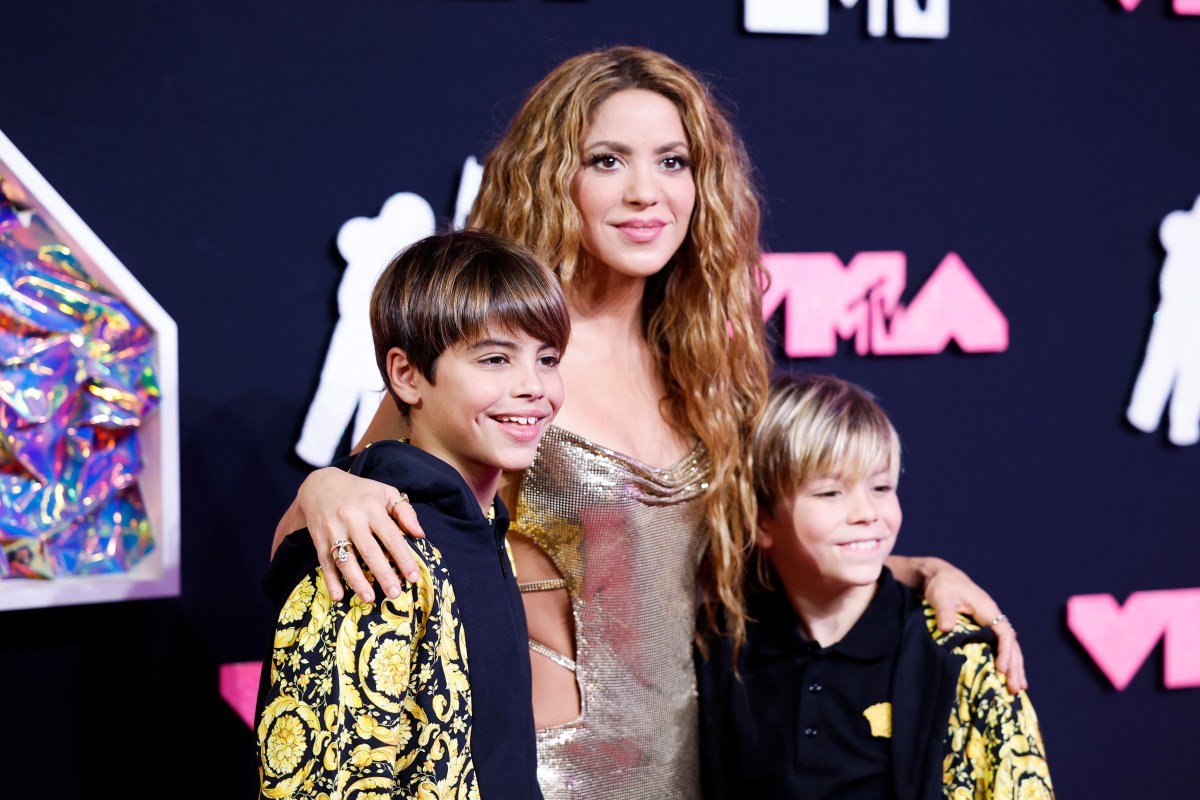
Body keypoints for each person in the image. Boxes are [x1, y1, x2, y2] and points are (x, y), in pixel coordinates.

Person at [274, 47, 1025, 800]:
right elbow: (348, 531)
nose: (646, 193)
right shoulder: (499, 359)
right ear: (552, 178)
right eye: (607, 160)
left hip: (696, 760)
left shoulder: (708, 367)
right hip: (543, 771)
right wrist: (325, 490)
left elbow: (744, 568)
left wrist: (920, 573)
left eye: (673, 162)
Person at [257, 231, 568, 799]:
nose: (534, 387)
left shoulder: (483, 527)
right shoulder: (380, 541)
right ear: (406, 376)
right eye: (495, 358)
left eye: (547, 359)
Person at [697, 374, 1053, 800]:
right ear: (761, 519)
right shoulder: (717, 646)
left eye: (881, 487)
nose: (867, 512)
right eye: (830, 493)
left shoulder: (960, 660)